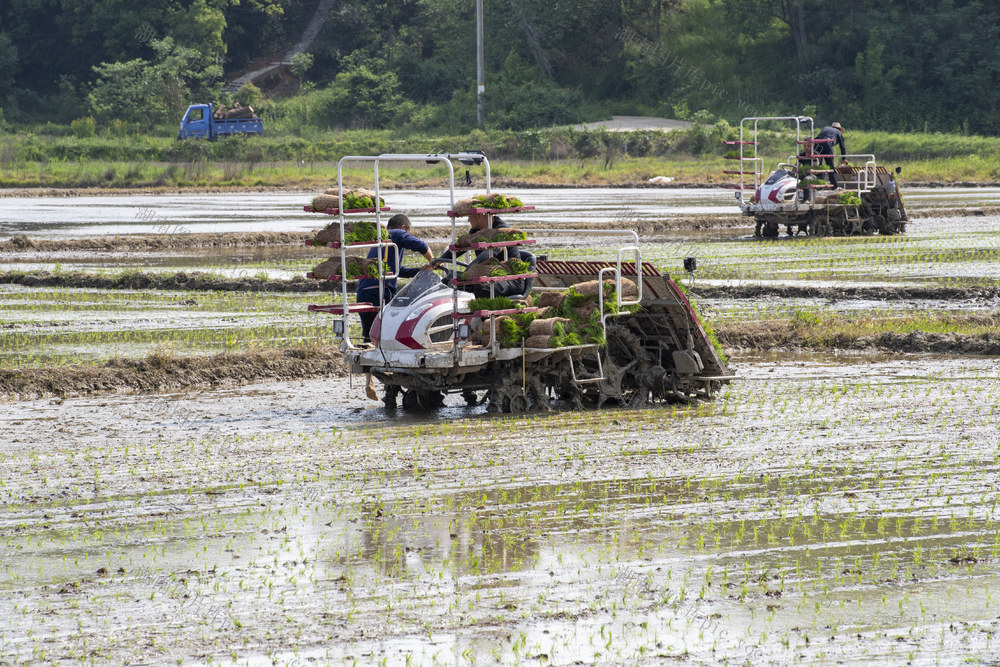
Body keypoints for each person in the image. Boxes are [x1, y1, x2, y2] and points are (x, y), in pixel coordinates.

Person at [356, 213, 434, 400]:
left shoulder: (382, 244)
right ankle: (393, 380)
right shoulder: (396, 233)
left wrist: (420, 270)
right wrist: (432, 261)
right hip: (380, 291)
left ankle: (370, 383)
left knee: (369, 336)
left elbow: (398, 271)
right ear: (404, 228)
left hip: (364, 291)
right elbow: (421, 245)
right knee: (389, 335)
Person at [434, 200, 536, 298]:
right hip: (489, 275)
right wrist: (438, 261)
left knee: (482, 287)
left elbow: (489, 253)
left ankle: (484, 316)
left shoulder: (501, 230)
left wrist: (469, 270)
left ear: (478, 216)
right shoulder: (476, 231)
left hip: (510, 280)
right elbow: (460, 248)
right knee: (448, 281)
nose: (468, 220)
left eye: (469, 216)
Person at [807, 121, 847, 188]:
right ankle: (834, 187)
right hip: (827, 144)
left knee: (818, 165)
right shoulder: (839, 133)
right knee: (830, 167)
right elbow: (842, 147)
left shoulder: (826, 128)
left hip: (817, 143)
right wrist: (844, 159)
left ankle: (818, 185)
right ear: (839, 129)